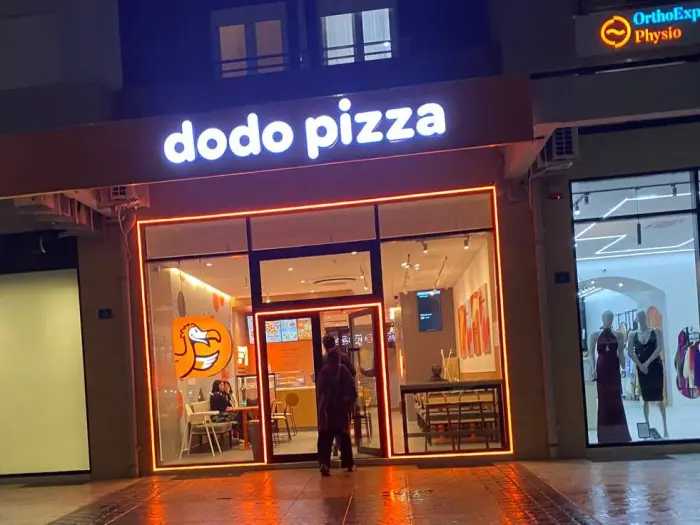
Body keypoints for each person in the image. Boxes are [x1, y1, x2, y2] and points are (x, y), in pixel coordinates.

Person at [316, 338, 358, 476]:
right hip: (340, 408)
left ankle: (324, 463)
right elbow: (352, 387)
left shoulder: (324, 368)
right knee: (344, 436)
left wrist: (322, 405)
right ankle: (348, 462)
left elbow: (320, 390)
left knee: (325, 437)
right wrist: (348, 402)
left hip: (327, 409)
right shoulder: (344, 367)